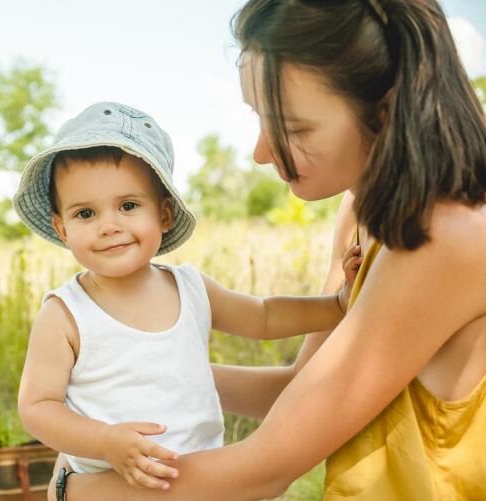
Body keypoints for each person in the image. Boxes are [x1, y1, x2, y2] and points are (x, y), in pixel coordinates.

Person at [51, 0, 486, 499]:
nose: (261, 152)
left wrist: (74, 490)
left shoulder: (447, 239)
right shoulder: (360, 214)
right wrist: (127, 375)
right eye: (259, 117)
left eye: (294, 129)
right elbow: (303, 391)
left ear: (386, 111)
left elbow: (266, 466)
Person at [13, 101, 360, 491]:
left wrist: (336, 306)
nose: (108, 226)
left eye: (128, 206)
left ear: (164, 215)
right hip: (116, 486)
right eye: (85, 214)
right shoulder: (66, 314)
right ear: (62, 229)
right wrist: (104, 441)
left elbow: (263, 316)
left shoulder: (190, 288)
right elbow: (38, 406)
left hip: (199, 482)